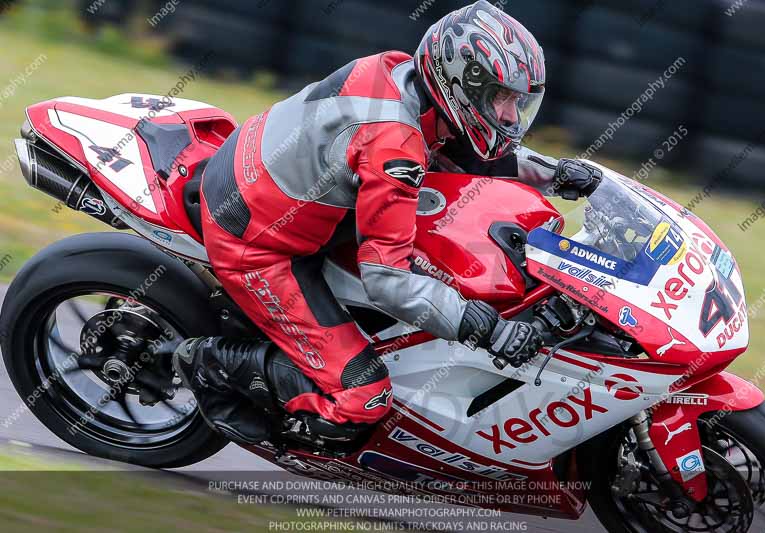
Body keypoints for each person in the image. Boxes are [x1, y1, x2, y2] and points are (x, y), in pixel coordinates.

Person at [173, 0, 601, 445]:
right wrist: (487, 329)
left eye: (516, 101)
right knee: (364, 399)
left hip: (277, 187)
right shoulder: (394, 145)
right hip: (258, 244)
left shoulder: (402, 74)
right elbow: (388, 280)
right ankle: (206, 363)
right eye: (500, 98)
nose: (511, 116)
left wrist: (559, 176)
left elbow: (465, 153)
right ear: (461, 83)